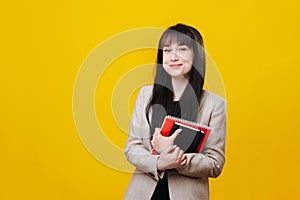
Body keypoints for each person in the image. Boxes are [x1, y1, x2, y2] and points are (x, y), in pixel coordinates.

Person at [124, 23, 227, 200]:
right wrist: (158, 162)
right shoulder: (146, 94)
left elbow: (215, 163)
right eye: (167, 50)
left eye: (182, 49)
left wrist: (177, 158)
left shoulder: (214, 104)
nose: (173, 57)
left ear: (196, 55)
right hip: (143, 194)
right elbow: (132, 148)